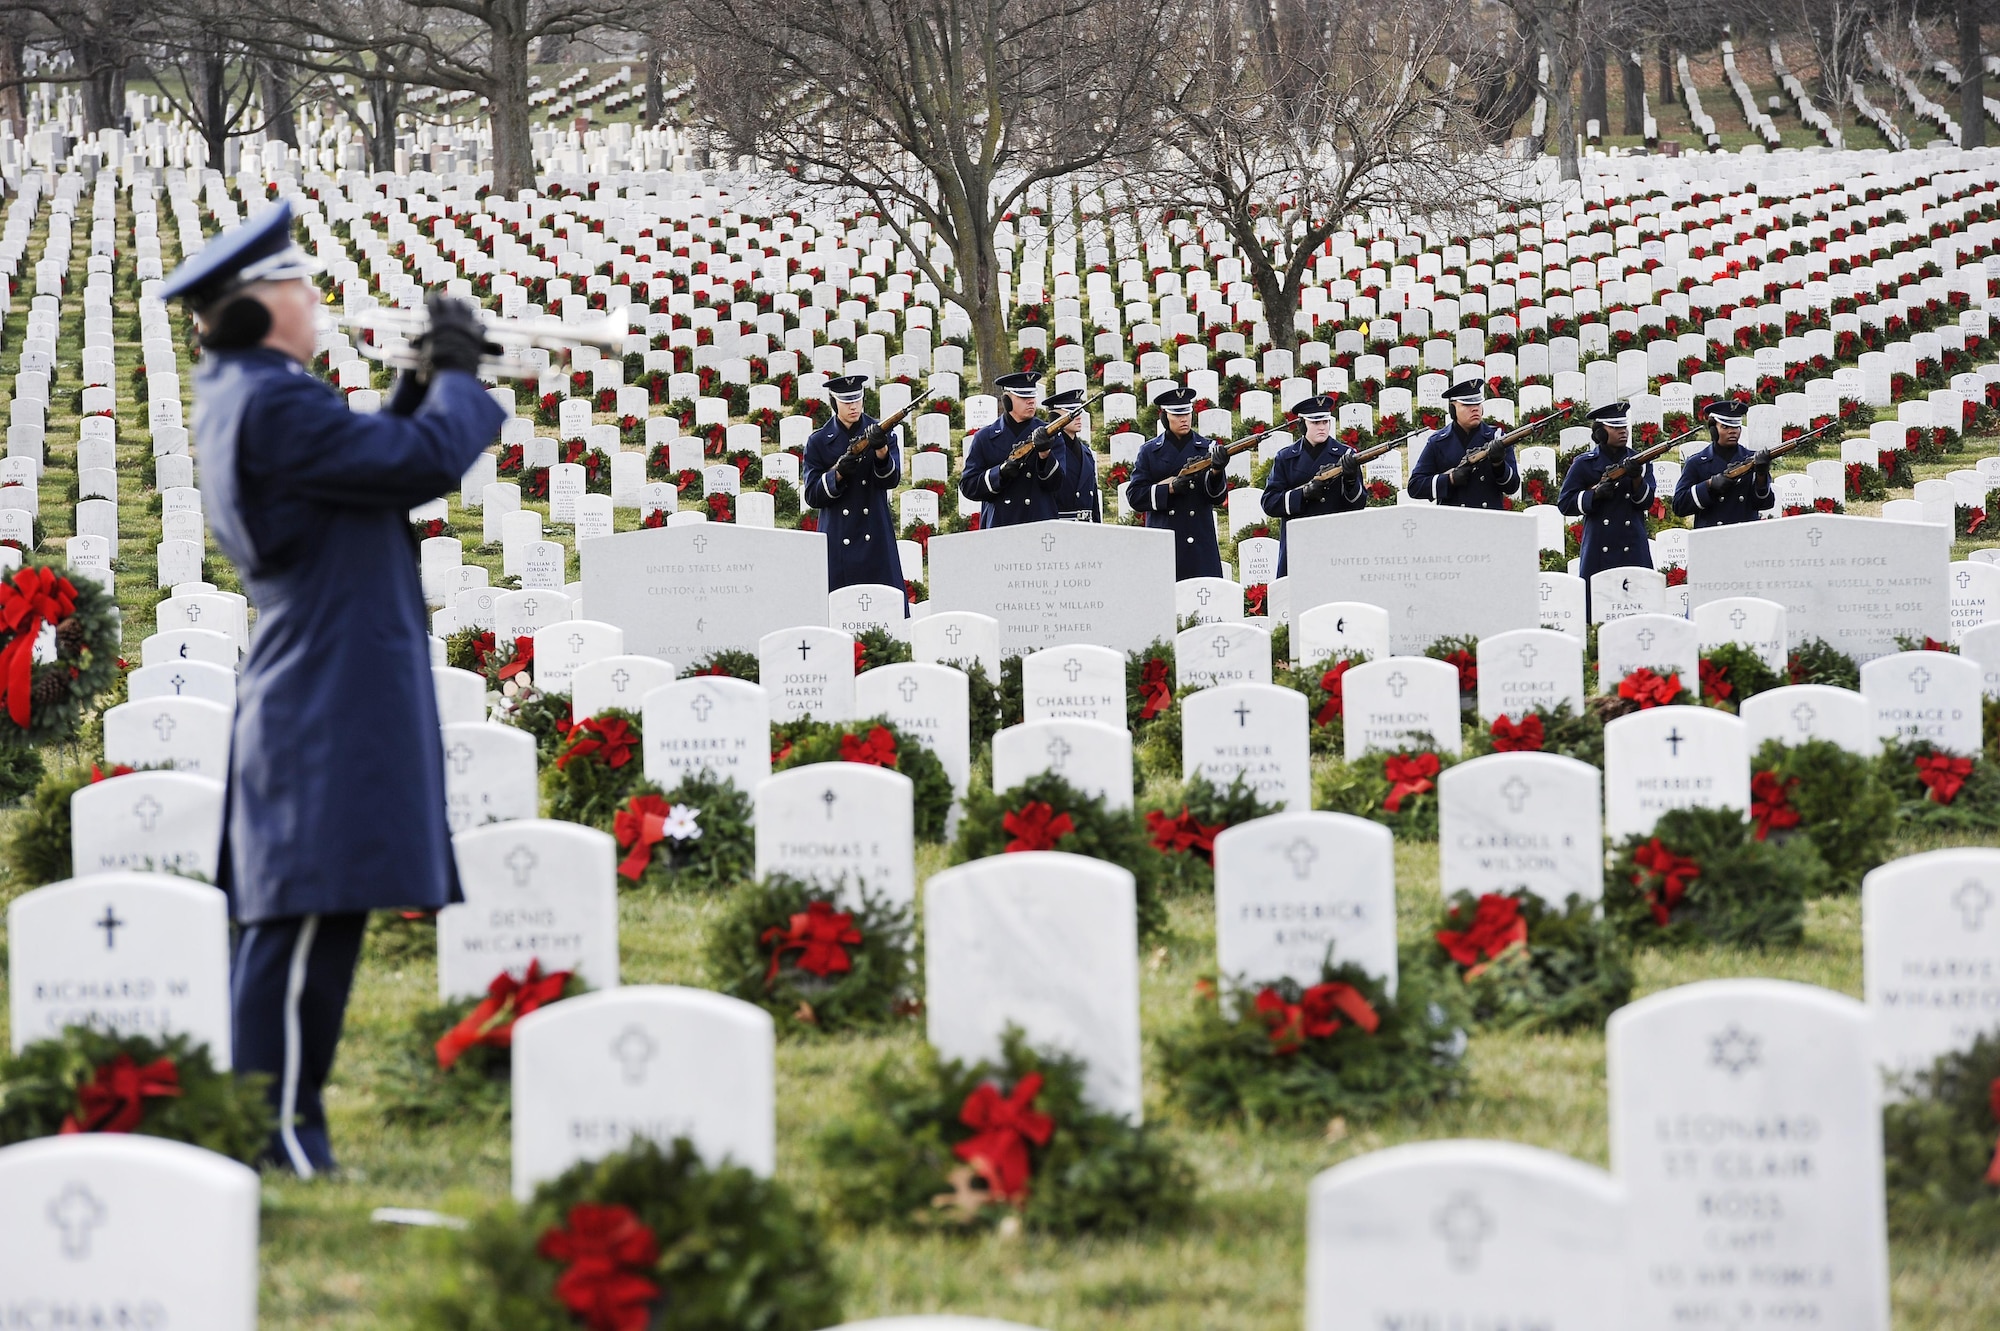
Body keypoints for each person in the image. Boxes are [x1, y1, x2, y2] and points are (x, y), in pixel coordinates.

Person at [167, 202, 507, 1177]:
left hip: (327, 675)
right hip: (325, 686)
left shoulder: (260, 390)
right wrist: (452, 378)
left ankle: (289, 1126)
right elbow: (417, 462)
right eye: (303, 287)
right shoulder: (271, 399)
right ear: (266, 302)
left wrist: (416, 381)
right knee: (301, 922)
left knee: (322, 918)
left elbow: (369, 472)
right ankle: (271, 1138)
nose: (317, 303)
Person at [801, 373, 905, 604]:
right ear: (834, 402)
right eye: (847, 401)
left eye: (857, 400)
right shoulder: (818, 441)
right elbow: (812, 495)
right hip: (838, 533)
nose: (854, 406)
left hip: (874, 531)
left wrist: (881, 451)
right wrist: (837, 474)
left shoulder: (881, 432)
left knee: (883, 607)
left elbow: (891, 480)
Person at [1557, 400, 1656, 618]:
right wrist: (1594, 494)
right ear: (1601, 432)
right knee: (1596, 613)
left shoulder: (1640, 460)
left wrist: (1637, 478)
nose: (1623, 432)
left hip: (1633, 544)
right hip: (1599, 548)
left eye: (1625, 427)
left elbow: (1647, 502)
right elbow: (1565, 503)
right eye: (1616, 428)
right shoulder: (1585, 463)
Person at [1126, 385, 1228, 580]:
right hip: (1164, 537)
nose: (1184, 419)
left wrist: (1217, 470)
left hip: (1199, 538)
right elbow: (1135, 496)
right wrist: (1169, 488)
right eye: (1177, 414)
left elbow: (1217, 497)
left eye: (1187, 413)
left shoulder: (1208, 448)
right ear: (1165, 417)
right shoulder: (1149, 452)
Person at [1259, 394, 1365, 578]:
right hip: (1298, 544)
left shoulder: (1346, 455)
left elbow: (1358, 504)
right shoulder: (1286, 458)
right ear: (1302, 424)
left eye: (1325, 421)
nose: (1322, 427)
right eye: (1315, 422)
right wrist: (1303, 494)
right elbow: (1269, 502)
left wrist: (1350, 480)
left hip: (1335, 543)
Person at [959, 371, 1062, 526]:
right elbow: (968, 486)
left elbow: (1058, 485)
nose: (1031, 402)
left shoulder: (1050, 434)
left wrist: (1045, 454)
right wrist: (999, 473)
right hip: (1000, 523)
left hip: (1039, 522)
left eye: (1032, 396)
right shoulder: (985, 437)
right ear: (1007, 400)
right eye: (1023, 397)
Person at [1408, 378, 1518, 509]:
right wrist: (1450, 480)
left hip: (1488, 520)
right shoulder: (1438, 442)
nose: (1475, 409)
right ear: (1453, 409)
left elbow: (1512, 487)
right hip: (1452, 521)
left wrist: (1499, 465)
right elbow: (1415, 486)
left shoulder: (1498, 438)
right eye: (1467, 405)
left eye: (1478, 404)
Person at [1672, 399, 1773, 527]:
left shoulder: (1754, 460)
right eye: (1725, 426)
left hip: (1745, 536)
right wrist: (1709, 485)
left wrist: (1761, 475)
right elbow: (1679, 506)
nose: (1732, 431)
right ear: (1713, 430)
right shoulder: (1696, 463)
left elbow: (1765, 504)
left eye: (1736, 426)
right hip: (1711, 537)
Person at [1044, 386, 1101, 521]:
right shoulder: (1048, 451)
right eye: (1072, 412)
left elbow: (1094, 504)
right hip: (1059, 527)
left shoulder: (1086, 452)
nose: (1079, 417)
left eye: (1079, 411)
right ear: (1055, 416)